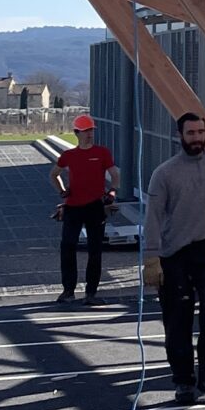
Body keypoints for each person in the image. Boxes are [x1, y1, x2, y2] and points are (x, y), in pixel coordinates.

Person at [143, 111, 205, 404]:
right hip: (175, 254)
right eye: (191, 133)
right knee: (177, 320)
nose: (197, 138)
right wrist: (151, 259)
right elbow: (153, 218)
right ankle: (183, 382)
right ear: (180, 136)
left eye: (200, 132)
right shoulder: (165, 173)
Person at [50, 112, 118, 305]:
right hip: (73, 207)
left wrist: (112, 192)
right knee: (68, 247)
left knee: (95, 250)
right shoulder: (69, 155)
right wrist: (62, 192)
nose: (89, 134)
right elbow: (54, 174)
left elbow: (115, 175)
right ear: (76, 133)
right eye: (86, 131)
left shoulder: (102, 153)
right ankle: (68, 290)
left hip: (95, 206)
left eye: (91, 130)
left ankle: (91, 294)